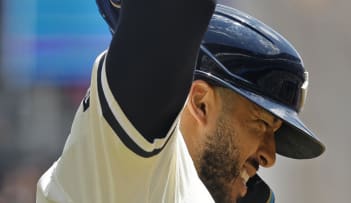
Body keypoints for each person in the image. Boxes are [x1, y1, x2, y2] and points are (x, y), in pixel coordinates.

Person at [36, 0, 325, 203]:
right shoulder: (125, 163)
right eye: (261, 123)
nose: (269, 156)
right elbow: (172, 15)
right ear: (200, 103)